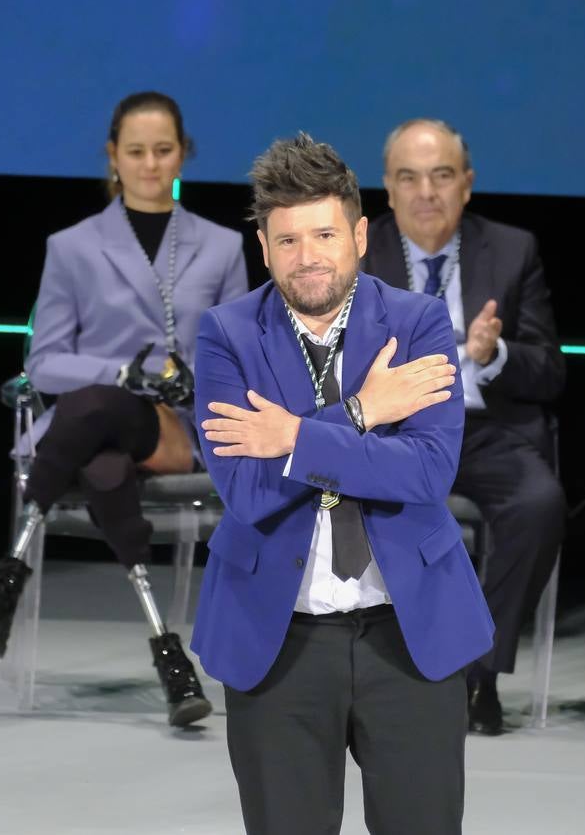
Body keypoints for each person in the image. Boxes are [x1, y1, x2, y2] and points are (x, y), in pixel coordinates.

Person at [192, 133, 493, 834]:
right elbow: (247, 490)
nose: (309, 256)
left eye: (324, 233)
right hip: (278, 639)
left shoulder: (418, 324)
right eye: (288, 240)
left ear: (358, 233)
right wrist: (363, 413)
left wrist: (294, 437)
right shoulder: (227, 336)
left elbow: (424, 473)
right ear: (264, 248)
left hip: (408, 633)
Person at [0, 91, 247, 727]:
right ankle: (172, 662)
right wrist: (121, 373)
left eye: (163, 150)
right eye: (135, 151)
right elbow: (45, 362)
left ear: (182, 153)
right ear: (112, 156)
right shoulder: (73, 246)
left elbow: (238, 355)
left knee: (97, 410)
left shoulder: (219, 247)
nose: (149, 163)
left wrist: (185, 379)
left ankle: (6, 581)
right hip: (94, 433)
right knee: (105, 459)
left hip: (174, 427)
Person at [363, 119, 566, 735]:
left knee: (539, 504)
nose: (427, 192)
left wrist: (493, 355)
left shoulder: (511, 249)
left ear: (467, 185)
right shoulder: (356, 251)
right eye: (409, 177)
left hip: (484, 429)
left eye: (442, 176)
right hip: (390, 433)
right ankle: (381, 671)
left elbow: (551, 371)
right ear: (389, 190)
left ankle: (478, 672)